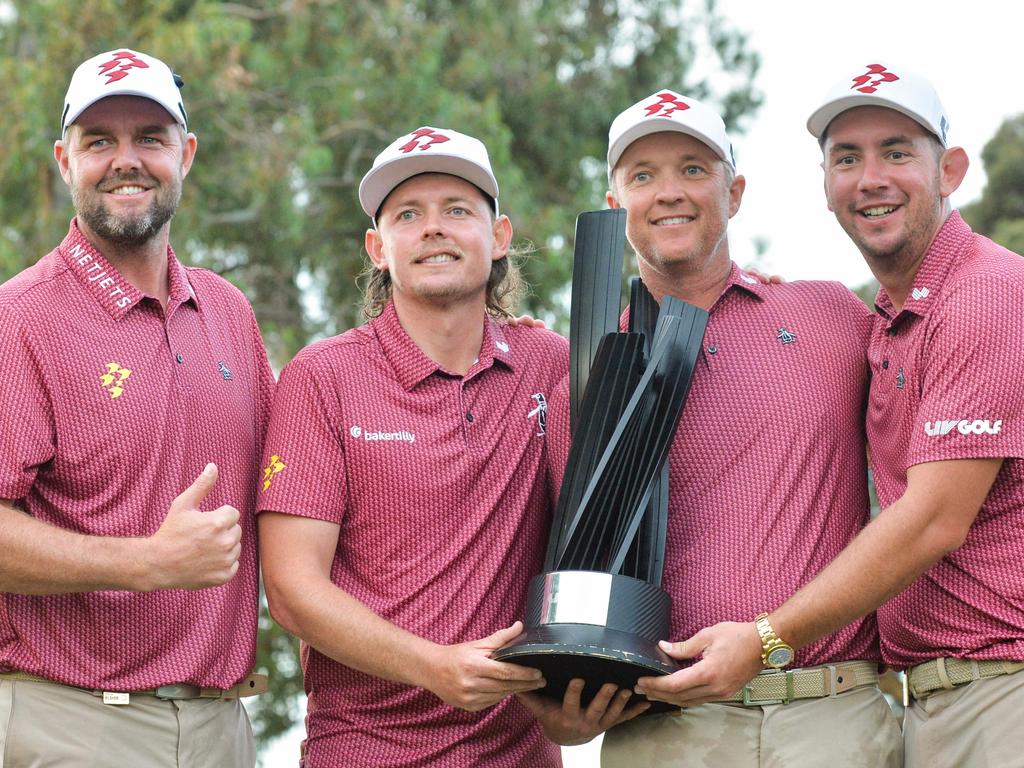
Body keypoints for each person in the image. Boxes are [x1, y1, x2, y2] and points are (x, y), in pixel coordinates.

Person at [656, 63, 1024, 767]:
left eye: (896, 152)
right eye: (847, 159)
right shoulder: (885, 319)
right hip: (937, 703)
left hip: (1002, 695)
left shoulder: (987, 295)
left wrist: (766, 638)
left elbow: (934, 519)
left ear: (949, 169)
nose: (870, 178)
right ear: (825, 185)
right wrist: (749, 299)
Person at [536, 90, 902, 766]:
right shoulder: (583, 386)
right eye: (642, 175)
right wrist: (565, 710)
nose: (669, 192)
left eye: (693, 170)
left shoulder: (829, 316)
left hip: (835, 714)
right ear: (615, 208)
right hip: (669, 730)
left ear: (734, 193)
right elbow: (577, 579)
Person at [257, 126, 604, 767]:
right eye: (408, 215)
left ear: (498, 238)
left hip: (518, 755)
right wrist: (434, 667)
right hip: (362, 752)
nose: (433, 229)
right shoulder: (323, 377)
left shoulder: (550, 363)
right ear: (378, 249)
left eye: (457, 210)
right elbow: (291, 589)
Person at [0, 49, 273, 767]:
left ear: (186, 153)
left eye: (149, 137)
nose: (126, 160)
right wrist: (148, 562)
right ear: (65, 161)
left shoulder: (229, 312)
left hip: (223, 727)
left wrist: (478, 322)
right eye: (99, 142)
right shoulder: (18, 320)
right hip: (73, 725)